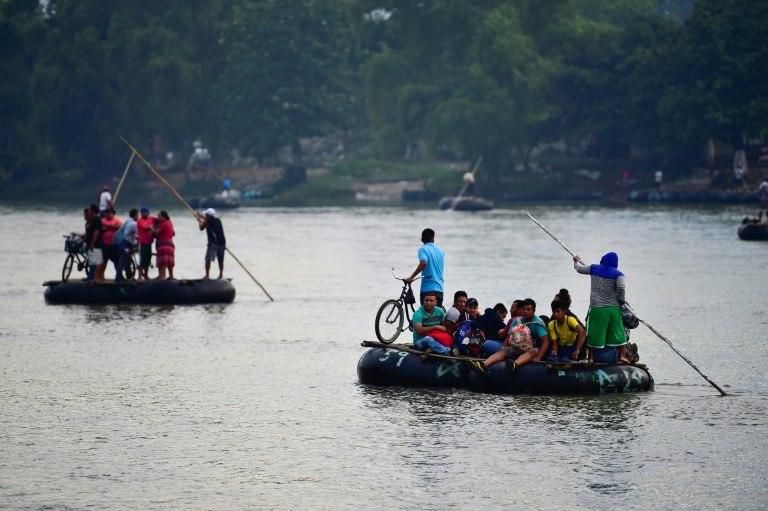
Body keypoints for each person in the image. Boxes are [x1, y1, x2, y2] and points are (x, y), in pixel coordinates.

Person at [573, 252, 629, 364]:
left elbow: (579, 269)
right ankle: (622, 356)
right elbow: (621, 287)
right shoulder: (619, 274)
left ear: (603, 260)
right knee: (618, 332)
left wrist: (575, 261)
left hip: (597, 309)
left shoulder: (593, 268)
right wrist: (621, 299)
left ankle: (590, 358)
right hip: (613, 308)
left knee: (594, 333)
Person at [469, 298, 549, 373]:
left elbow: (545, 342)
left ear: (534, 311)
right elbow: (509, 338)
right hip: (518, 347)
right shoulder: (516, 321)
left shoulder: (537, 323)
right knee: (504, 350)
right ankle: (483, 365)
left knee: (533, 351)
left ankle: (515, 364)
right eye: (524, 309)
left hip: (531, 349)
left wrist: (538, 357)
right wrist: (504, 348)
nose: (526, 311)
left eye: (528, 309)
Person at [405, 228, 445, 307]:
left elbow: (423, 263)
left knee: (426, 317)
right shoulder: (440, 250)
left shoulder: (423, 249)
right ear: (433, 238)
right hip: (439, 289)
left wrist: (411, 277)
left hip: (427, 289)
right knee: (436, 317)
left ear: (422, 239)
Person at [198, 208, 226, 279]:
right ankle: (221, 275)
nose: (205, 216)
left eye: (206, 215)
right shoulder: (218, 220)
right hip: (222, 243)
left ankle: (207, 275)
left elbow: (201, 228)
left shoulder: (207, 222)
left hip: (213, 244)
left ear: (208, 215)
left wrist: (199, 221)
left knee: (208, 259)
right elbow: (207, 219)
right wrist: (200, 216)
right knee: (221, 260)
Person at [115, 209, 138, 282]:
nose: (138, 216)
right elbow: (138, 233)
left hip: (122, 242)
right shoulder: (133, 224)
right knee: (123, 260)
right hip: (125, 243)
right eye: (138, 215)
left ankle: (129, 276)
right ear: (135, 215)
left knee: (127, 260)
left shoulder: (127, 221)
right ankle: (118, 278)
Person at [99, 207, 123, 279]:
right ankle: (101, 276)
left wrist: (107, 226)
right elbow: (100, 229)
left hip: (114, 244)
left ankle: (119, 276)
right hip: (104, 244)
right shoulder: (102, 220)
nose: (108, 214)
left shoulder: (117, 220)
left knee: (117, 261)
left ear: (113, 213)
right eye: (107, 213)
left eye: (110, 213)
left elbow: (119, 227)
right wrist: (112, 227)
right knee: (103, 261)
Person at [152, 211, 175, 280]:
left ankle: (162, 276)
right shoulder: (169, 222)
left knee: (163, 261)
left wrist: (151, 228)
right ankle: (171, 276)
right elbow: (173, 233)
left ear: (164, 217)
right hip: (170, 243)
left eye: (159, 216)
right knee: (169, 261)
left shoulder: (163, 223)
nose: (158, 218)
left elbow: (157, 232)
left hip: (163, 244)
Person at [85, 204, 104, 281]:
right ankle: (92, 276)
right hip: (91, 244)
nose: (88, 211)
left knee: (97, 261)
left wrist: (93, 243)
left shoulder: (97, 219)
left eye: (89, 210)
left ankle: (97, 278)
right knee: (92, 261)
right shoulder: (92, 220)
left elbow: (96, 232)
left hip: (96, 244)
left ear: (92, 211)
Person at [136, 207, 155, 280]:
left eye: (146, 212)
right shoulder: (140, 220)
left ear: (148, 213)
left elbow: (159, 220)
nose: (144, 214)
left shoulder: (151, 219)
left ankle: (146, 275)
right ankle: (139, 276)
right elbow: (144, 227)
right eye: (143, 212)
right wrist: (151, 227)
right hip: (143, 242)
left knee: (148, 260)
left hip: (149, 242)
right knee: (142, 260)